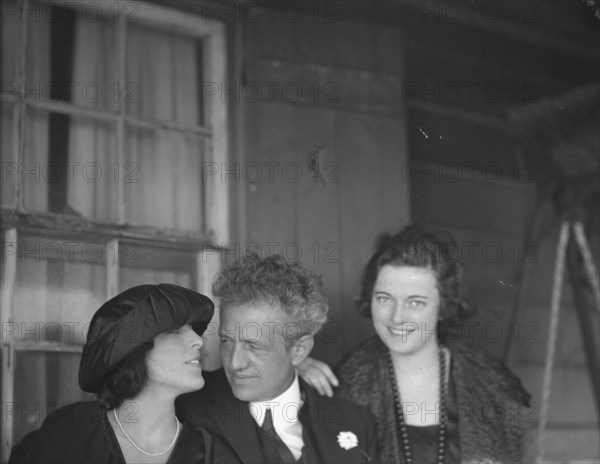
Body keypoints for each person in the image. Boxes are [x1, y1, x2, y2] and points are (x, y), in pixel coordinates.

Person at [298, 226, 532, 464]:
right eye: (384, 298)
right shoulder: (345, 382)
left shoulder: (489, 382)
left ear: (443, 306)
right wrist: (291, 376)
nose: (397, 316)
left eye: (416, 303)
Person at [177, 254, 377, 464]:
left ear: (299, 350)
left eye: (253, 346)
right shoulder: (187, 406)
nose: (235, 363)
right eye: (226, 340)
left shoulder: (355, 423)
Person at [9, 283, 240, 464]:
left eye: (193, 330)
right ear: (132, 350)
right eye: (173, 331)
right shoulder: (72, 431)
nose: (198, 340)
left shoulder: (211, 455)